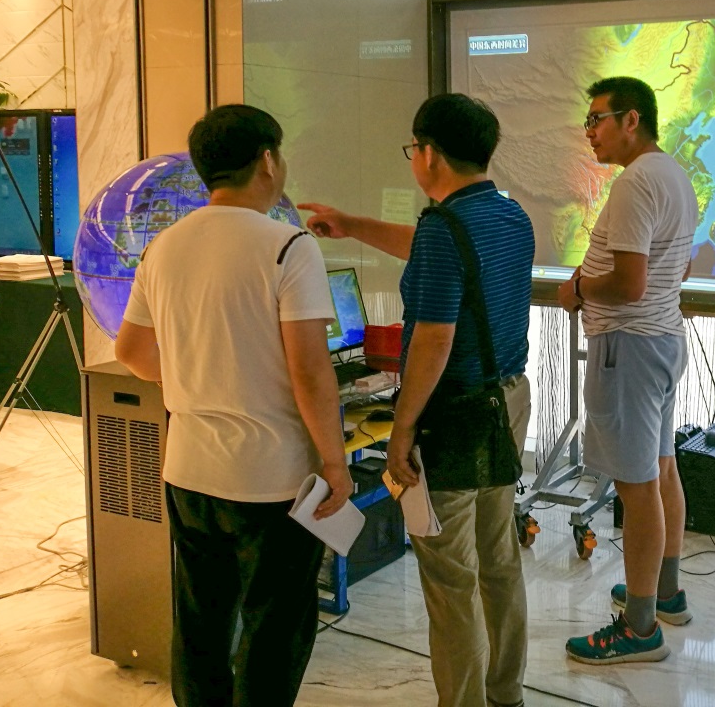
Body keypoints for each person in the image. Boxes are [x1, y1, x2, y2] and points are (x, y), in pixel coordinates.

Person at [301, 93, 535, 707]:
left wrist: (401, 429)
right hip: (506, 403)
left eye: (413, 149)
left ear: (429, 154)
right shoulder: (510, 215)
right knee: (498, 558)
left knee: (451, 577)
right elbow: (436, 247)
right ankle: (505, 693)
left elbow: (433, 338)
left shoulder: (443, 229)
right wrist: (352, 224)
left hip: (451, 417)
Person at [114, 104, 350, 707]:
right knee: (274, 626)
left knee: (202, 624)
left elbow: (131, 349)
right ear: (268, 161)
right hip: (272, 478)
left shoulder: (164, 246)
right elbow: (310, 372)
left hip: (188, 472)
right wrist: (335, 462)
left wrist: (199, 381)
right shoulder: (288, 246)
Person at [557, 76, 697, 664]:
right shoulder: (674, 174)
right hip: (661, 340)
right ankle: (663, 594)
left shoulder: (636, 182)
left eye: (597, 119)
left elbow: (630, 285)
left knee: (638, 489)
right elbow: (677, 269)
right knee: (660, 471)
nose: (589, 132)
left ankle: (640, 629)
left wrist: (577, 290)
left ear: (631, 120)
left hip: (630, 348)